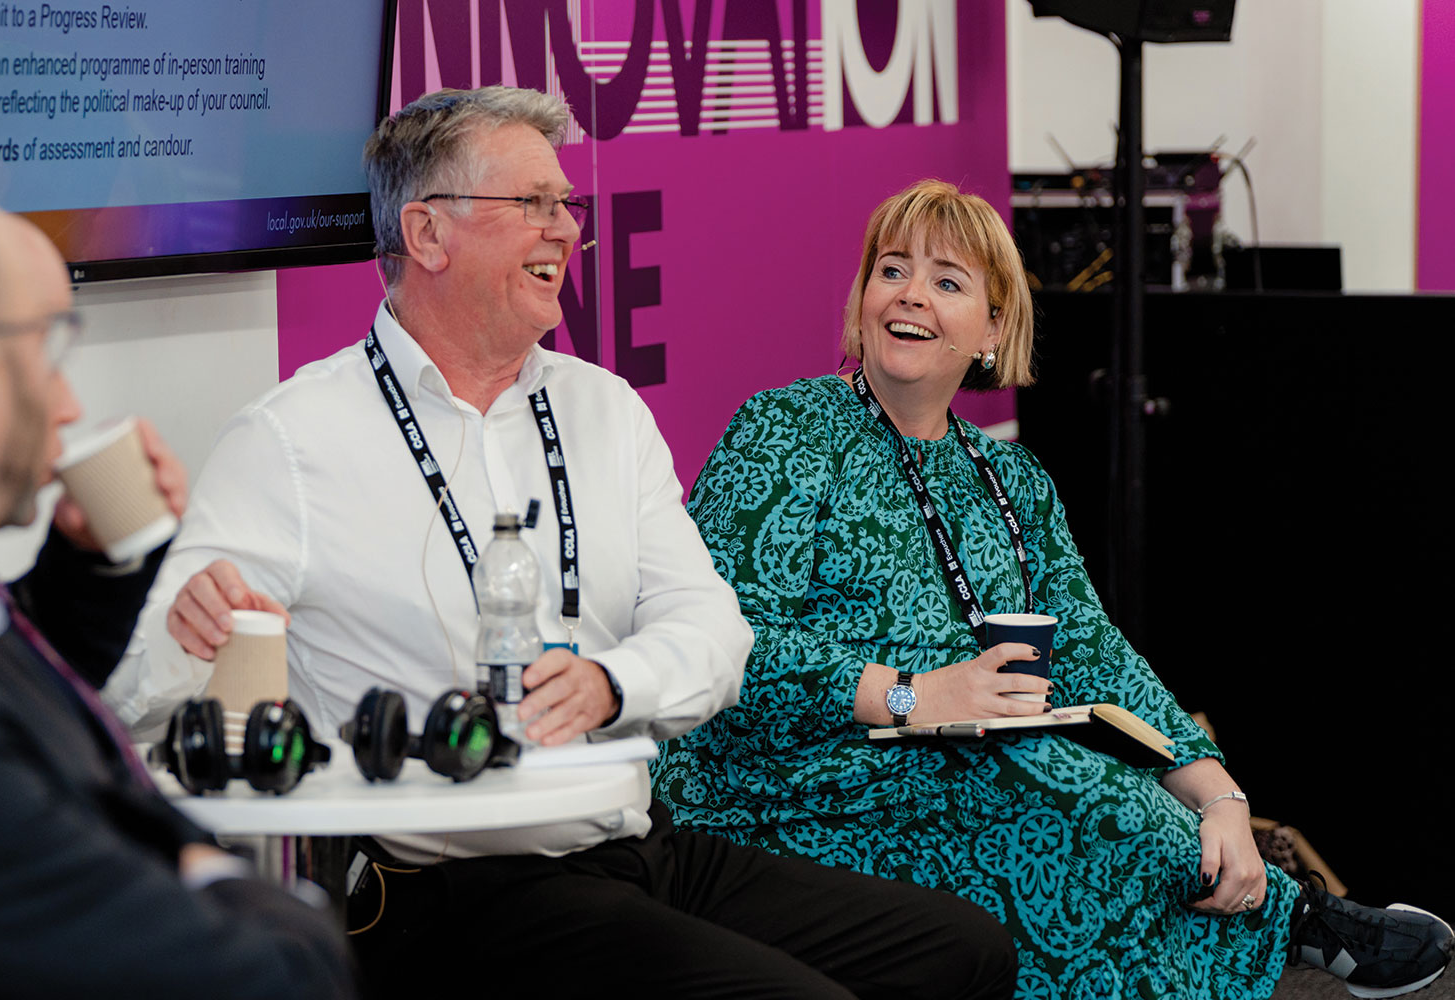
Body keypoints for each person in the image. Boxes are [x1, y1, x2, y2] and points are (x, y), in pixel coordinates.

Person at [101, 88, 1017, 997]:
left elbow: (713, 631)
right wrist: (188, 634)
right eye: (530, 204)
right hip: (449, 889)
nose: (565, 230)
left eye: (564, 205)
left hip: (629, 844)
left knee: (962, 951)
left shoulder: (603, 410)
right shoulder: (292, 440)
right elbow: (131, 699)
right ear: (428, 235)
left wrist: (613, 684)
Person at [652, 178, 1454, 999]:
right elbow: (726, 639)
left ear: (994, 328)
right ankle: (1301, 924)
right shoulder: (786, 428)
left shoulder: (1011, 478)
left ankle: (1289, 930)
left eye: (948, 281)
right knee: (1071, 790)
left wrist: (1220, 794)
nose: (911, 295)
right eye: (891, 270)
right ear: (860, 299)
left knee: (1087, 785)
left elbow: (1090, 650)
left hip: (953, 770)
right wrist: (908, 696)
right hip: (786, 783)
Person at [0, 180, 356, 998]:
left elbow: (17, 695)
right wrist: (225, 876)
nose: (68, 405)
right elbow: (282, 977)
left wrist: (95, 567)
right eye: (51, 353)